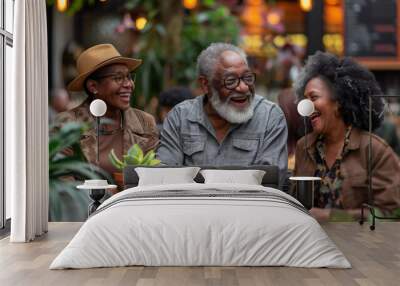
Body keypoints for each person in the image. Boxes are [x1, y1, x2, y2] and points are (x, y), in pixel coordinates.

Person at [157, 43, 288, 187]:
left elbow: (271, 184)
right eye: (231, 81)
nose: (243, 87)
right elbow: (165, 178)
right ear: (206, 85)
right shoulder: (180, 117)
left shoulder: (270, 117)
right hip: (192, 207)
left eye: (248, 78)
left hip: (251, 207)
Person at [293, 51, 400, 221]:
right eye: (304, 99)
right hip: (312, 245)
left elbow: (391, 214)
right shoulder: (303, 147)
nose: (305, 107)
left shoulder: (375, 150)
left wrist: (331, 217)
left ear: (339, 102)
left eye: (313, 97)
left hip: (362, 245)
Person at [56, 44, 159, 176]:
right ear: (93, 86)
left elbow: (154, 175)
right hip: (85, 197)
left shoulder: (144, 122)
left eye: (129, 77)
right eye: (118, 78)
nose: (129, 84)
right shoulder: (67, 124)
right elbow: (63, 181)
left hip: (131, 197)